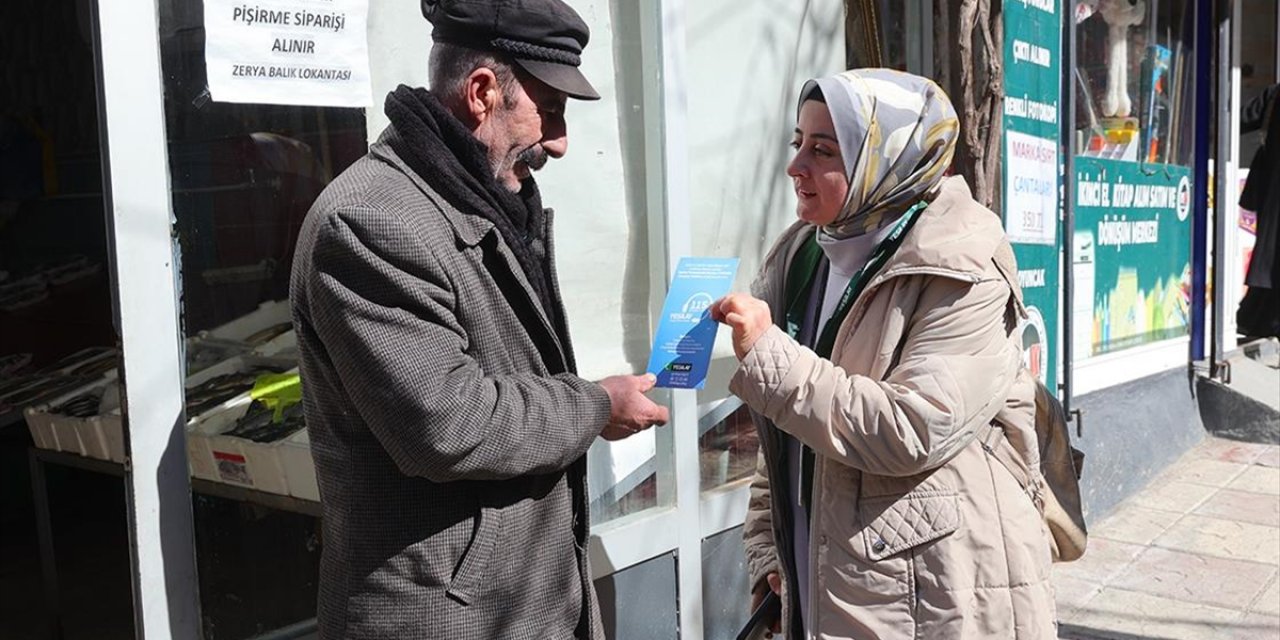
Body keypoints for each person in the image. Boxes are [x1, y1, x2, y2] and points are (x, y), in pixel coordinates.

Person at [288, 0, 669, 638]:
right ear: (483, 92)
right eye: (549, 111)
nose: (561, 141)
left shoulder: (480, 196)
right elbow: (451, 424)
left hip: (522, 598)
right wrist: (596, 406)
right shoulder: (370, 222)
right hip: (447, 617)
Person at [713, 69, 1056, 638]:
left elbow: (913, 427)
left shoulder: (965, 265)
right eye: (798, 142)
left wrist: (769, 355)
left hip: (930, 597)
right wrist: (768, 553)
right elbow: (783, 436)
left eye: (823, 149)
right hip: (825, 586)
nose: (796, 166)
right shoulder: (802, 256)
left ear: (888, 160)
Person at [1237, 82, 1280, 339]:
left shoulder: (1275, 93)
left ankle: (1254, 319)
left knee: (1271, 260)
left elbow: (1237, 120)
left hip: (1273, 194)